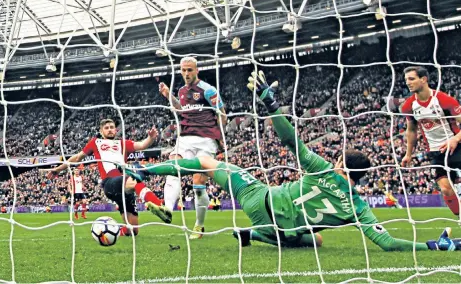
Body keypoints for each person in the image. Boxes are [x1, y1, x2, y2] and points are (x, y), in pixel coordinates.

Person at [131, 71, 460, 251]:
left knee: (207, 164)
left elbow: (291, 141)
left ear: (342, 165)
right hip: (282, 229)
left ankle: (146, 169)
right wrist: (434, 245)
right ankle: (258, 234)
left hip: (260, 199)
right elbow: (387, 243)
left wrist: (272, 107)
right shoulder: (359, 208)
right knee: (315, 239)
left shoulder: (323, 169)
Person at [40, 119, 172, 236]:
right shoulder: (95, 142)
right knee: (134, 178)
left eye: (111, 127)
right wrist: (58, 169)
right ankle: (159, 206)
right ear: (101, 131)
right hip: (111, 183)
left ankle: (115, 231)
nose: (109, 130)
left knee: (133, 231)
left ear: (116, 129)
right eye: (106, 128)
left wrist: (151, 137)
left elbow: (142, 145)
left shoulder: (122, 143)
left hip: (125, 186)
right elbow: (77, 157)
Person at [158, 56, 227, 239]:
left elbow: (223, 114)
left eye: (190, 70)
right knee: (173, 168)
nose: (186, 73)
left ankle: (199, 225)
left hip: (206, 139)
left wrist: (220, 137)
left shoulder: (208, 90)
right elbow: (181, 110)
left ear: (197, 70)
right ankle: (167, 209)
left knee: (198, 183)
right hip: (186, 136)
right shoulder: (181, 90)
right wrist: (168, 95)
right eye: (183, 70)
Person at [401, 66, 461, 216]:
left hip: (458, 146)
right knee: (446, 189)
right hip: (436, 151)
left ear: (424, 79)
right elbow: (412, 130)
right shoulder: (408, 106)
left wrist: (455, 138)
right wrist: (408, 154)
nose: (408, 82)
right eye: (406, 79)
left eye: (411, 79)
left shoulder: (444, 100)